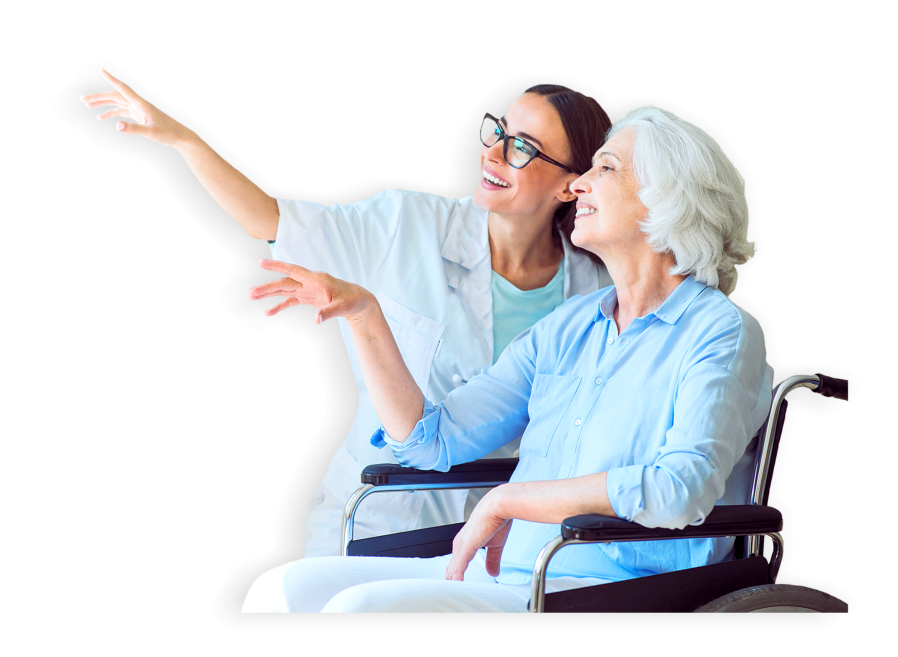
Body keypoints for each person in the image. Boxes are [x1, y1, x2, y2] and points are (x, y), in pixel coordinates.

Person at [240, 103, 772, 612]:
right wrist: (363, 313)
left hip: (604, 583)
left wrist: (507, 501)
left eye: (605, 168)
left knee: (360, 608)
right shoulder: (569, 326)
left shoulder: (721, 331)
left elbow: (681, 488)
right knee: (282, 590)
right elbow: (433, 440)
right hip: (508, 571)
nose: (580, 184)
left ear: (667, 200)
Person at [78, 68, 614, 556]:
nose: (494, 152)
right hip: (381, 517)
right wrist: (183, 140)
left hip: (500, 538)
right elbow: (268, 218)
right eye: (497, 131)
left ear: (573, 184)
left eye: (523, 147)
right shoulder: (406, 222)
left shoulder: (598, 288)